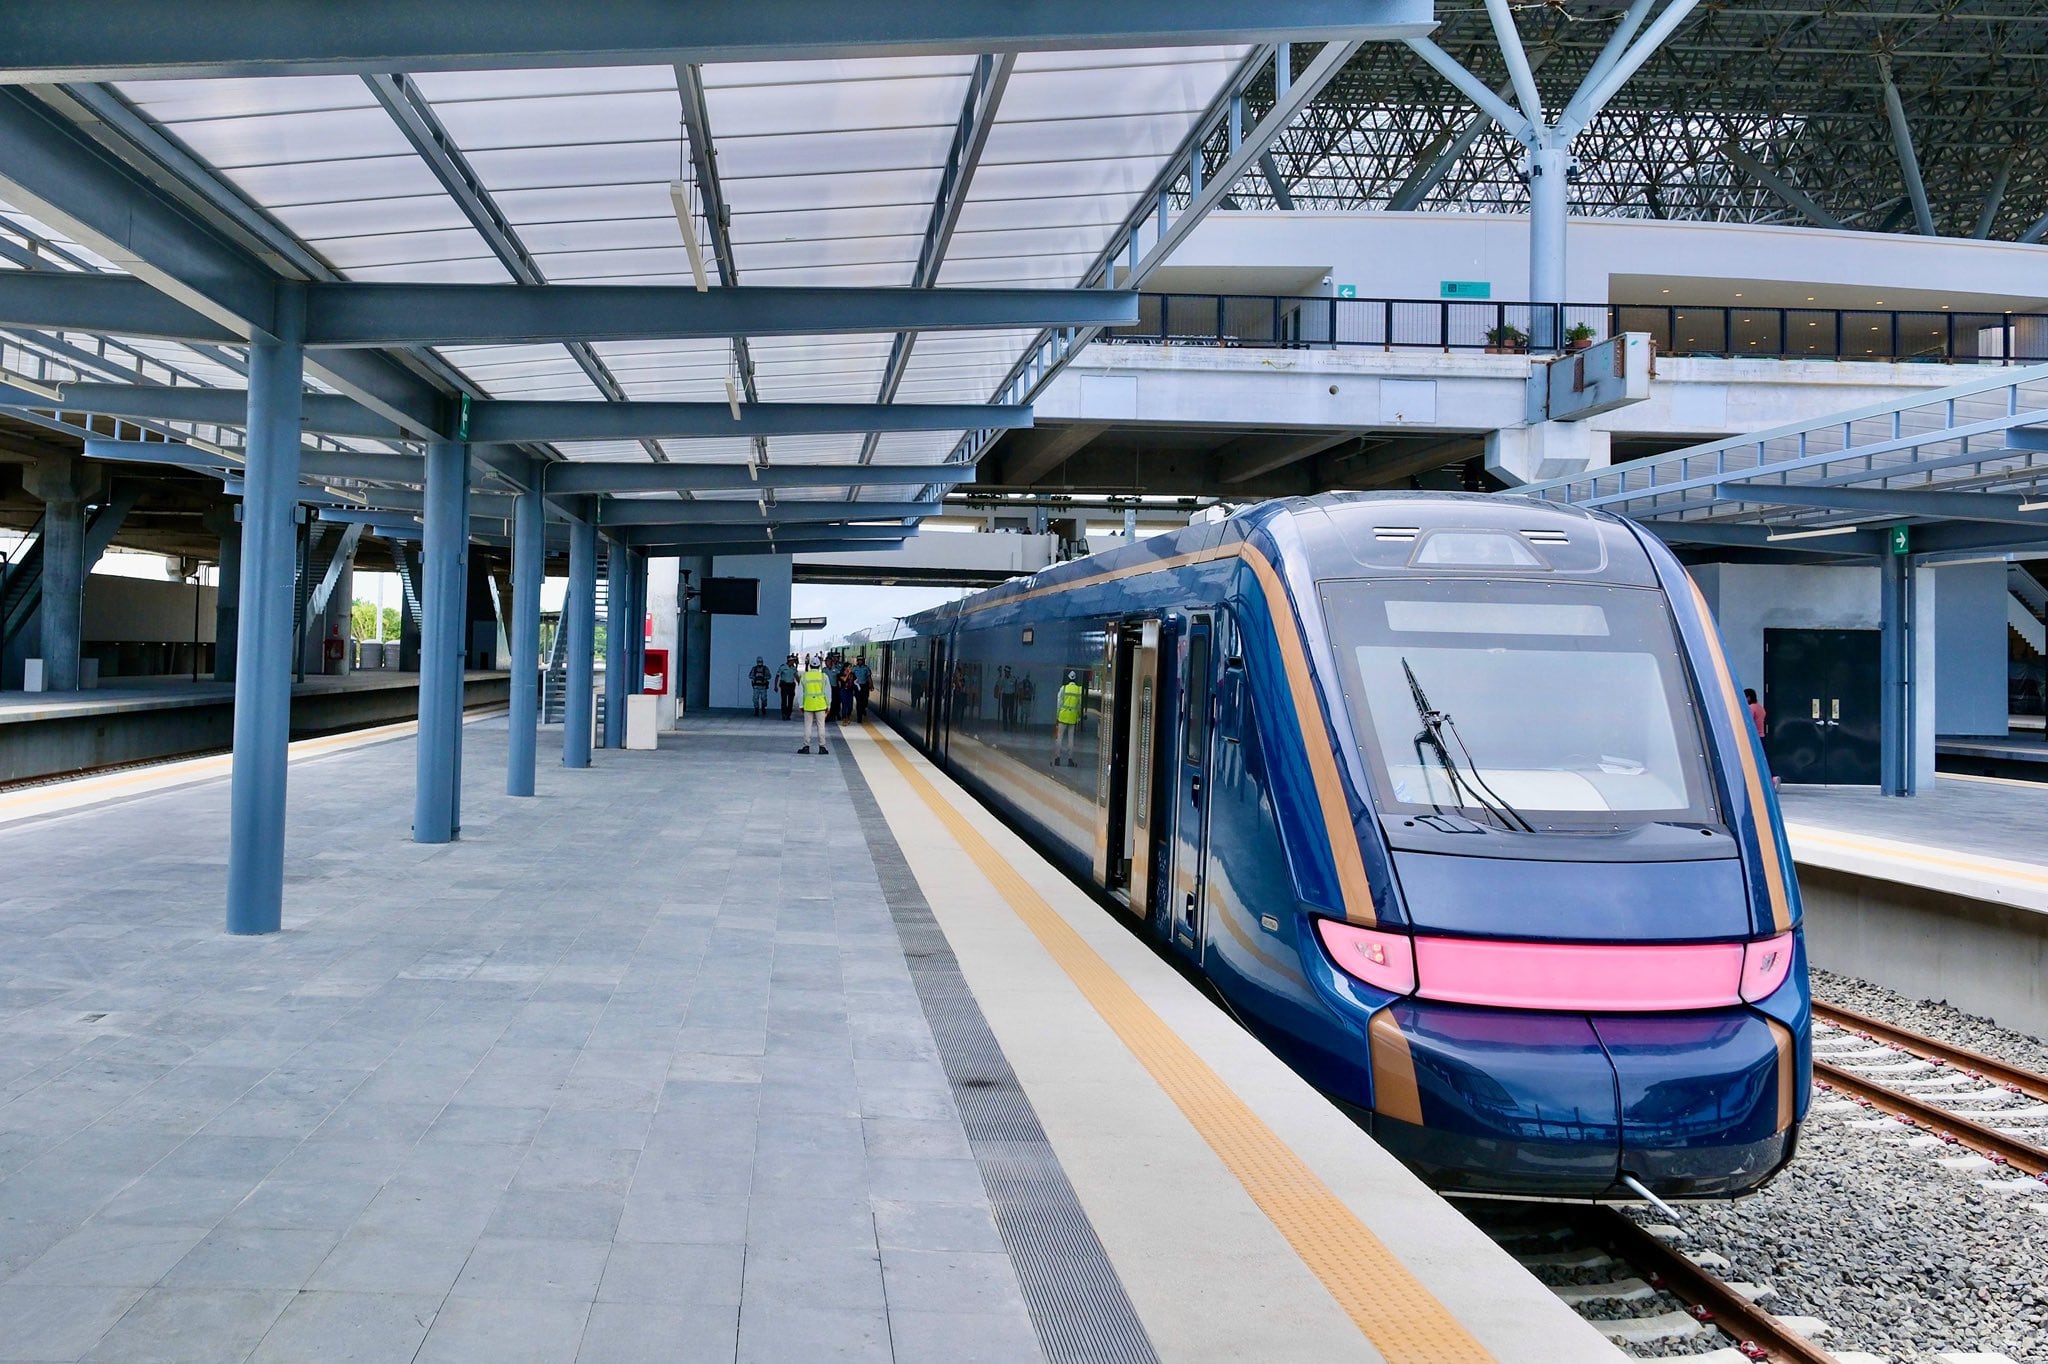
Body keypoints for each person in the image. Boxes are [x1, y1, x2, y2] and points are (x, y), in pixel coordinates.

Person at [798, 653, 830, 754]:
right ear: (819, 665)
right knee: (821, 726)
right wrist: (828, 705)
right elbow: (828, 693)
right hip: (821, 705)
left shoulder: (805, 677)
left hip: (808, 705)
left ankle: (806, 747)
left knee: (808, 726)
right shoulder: (824, 677)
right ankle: (822, 747)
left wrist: (801, 705)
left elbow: (800, 693)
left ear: (810, 665)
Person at [1053, 670, 1084, 767]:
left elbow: (1059, 703)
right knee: (1071, 739)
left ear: (1068, 678)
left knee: (1059, 738)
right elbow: (1079, 705)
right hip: (1072, 718)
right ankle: (1070, 760)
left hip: (1063, 716)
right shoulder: (1079, 690)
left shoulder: (1064, 688)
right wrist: (1078, 717)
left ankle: (1057, 759)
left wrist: (1057, 715)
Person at [776, 654, 799, 721]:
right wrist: (775, 686)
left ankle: (788, 714)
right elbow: (777, 676)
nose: (794, 662)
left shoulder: (794, 668)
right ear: (789, 660)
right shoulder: (782, 667)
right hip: (784, 685)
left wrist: (800, 684)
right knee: (784, 700)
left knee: (790, 701)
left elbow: (796, 676)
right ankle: (784, 714)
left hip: (791, 686)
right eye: (792, 660)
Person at [852, 656, 872, 722]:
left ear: (863, 661)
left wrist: (871, 685)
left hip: (864, 687)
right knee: (859, 702)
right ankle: (859, 717)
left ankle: (863, 709)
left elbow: (869, 677)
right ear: (857, 661)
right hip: (857, 686)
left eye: (861, 660)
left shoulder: (866, 668)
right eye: (859, 660)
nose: (860, 661)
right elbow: (851, 676)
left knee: (865, 701)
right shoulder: (854, 668)